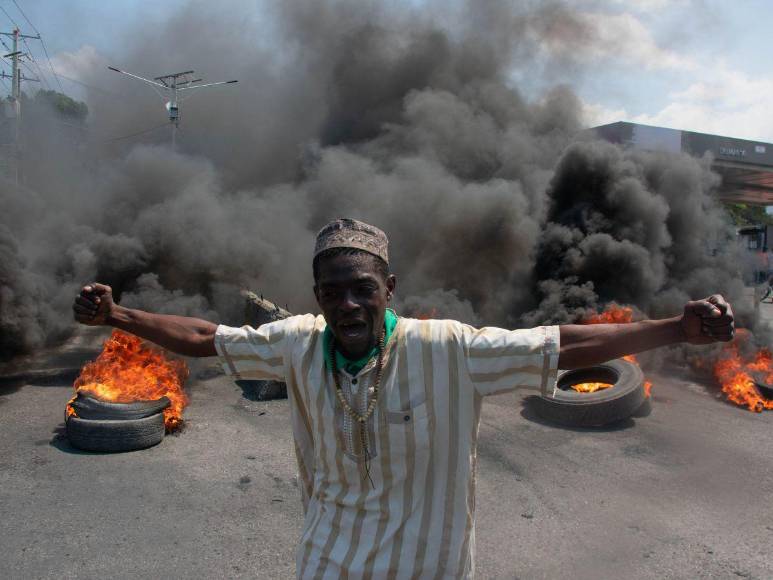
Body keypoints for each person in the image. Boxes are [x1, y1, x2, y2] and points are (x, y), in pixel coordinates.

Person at [72, 218, 734, 579]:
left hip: (428, 568)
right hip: (328, 563)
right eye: (332, 292)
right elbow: (204, 339)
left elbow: (558, 344)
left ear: (389, 288)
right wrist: (118, 316)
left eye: (362, 288)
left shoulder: (447, 348)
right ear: (316, 297)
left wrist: (675, 329)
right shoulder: (296, 342)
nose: (347, 304)